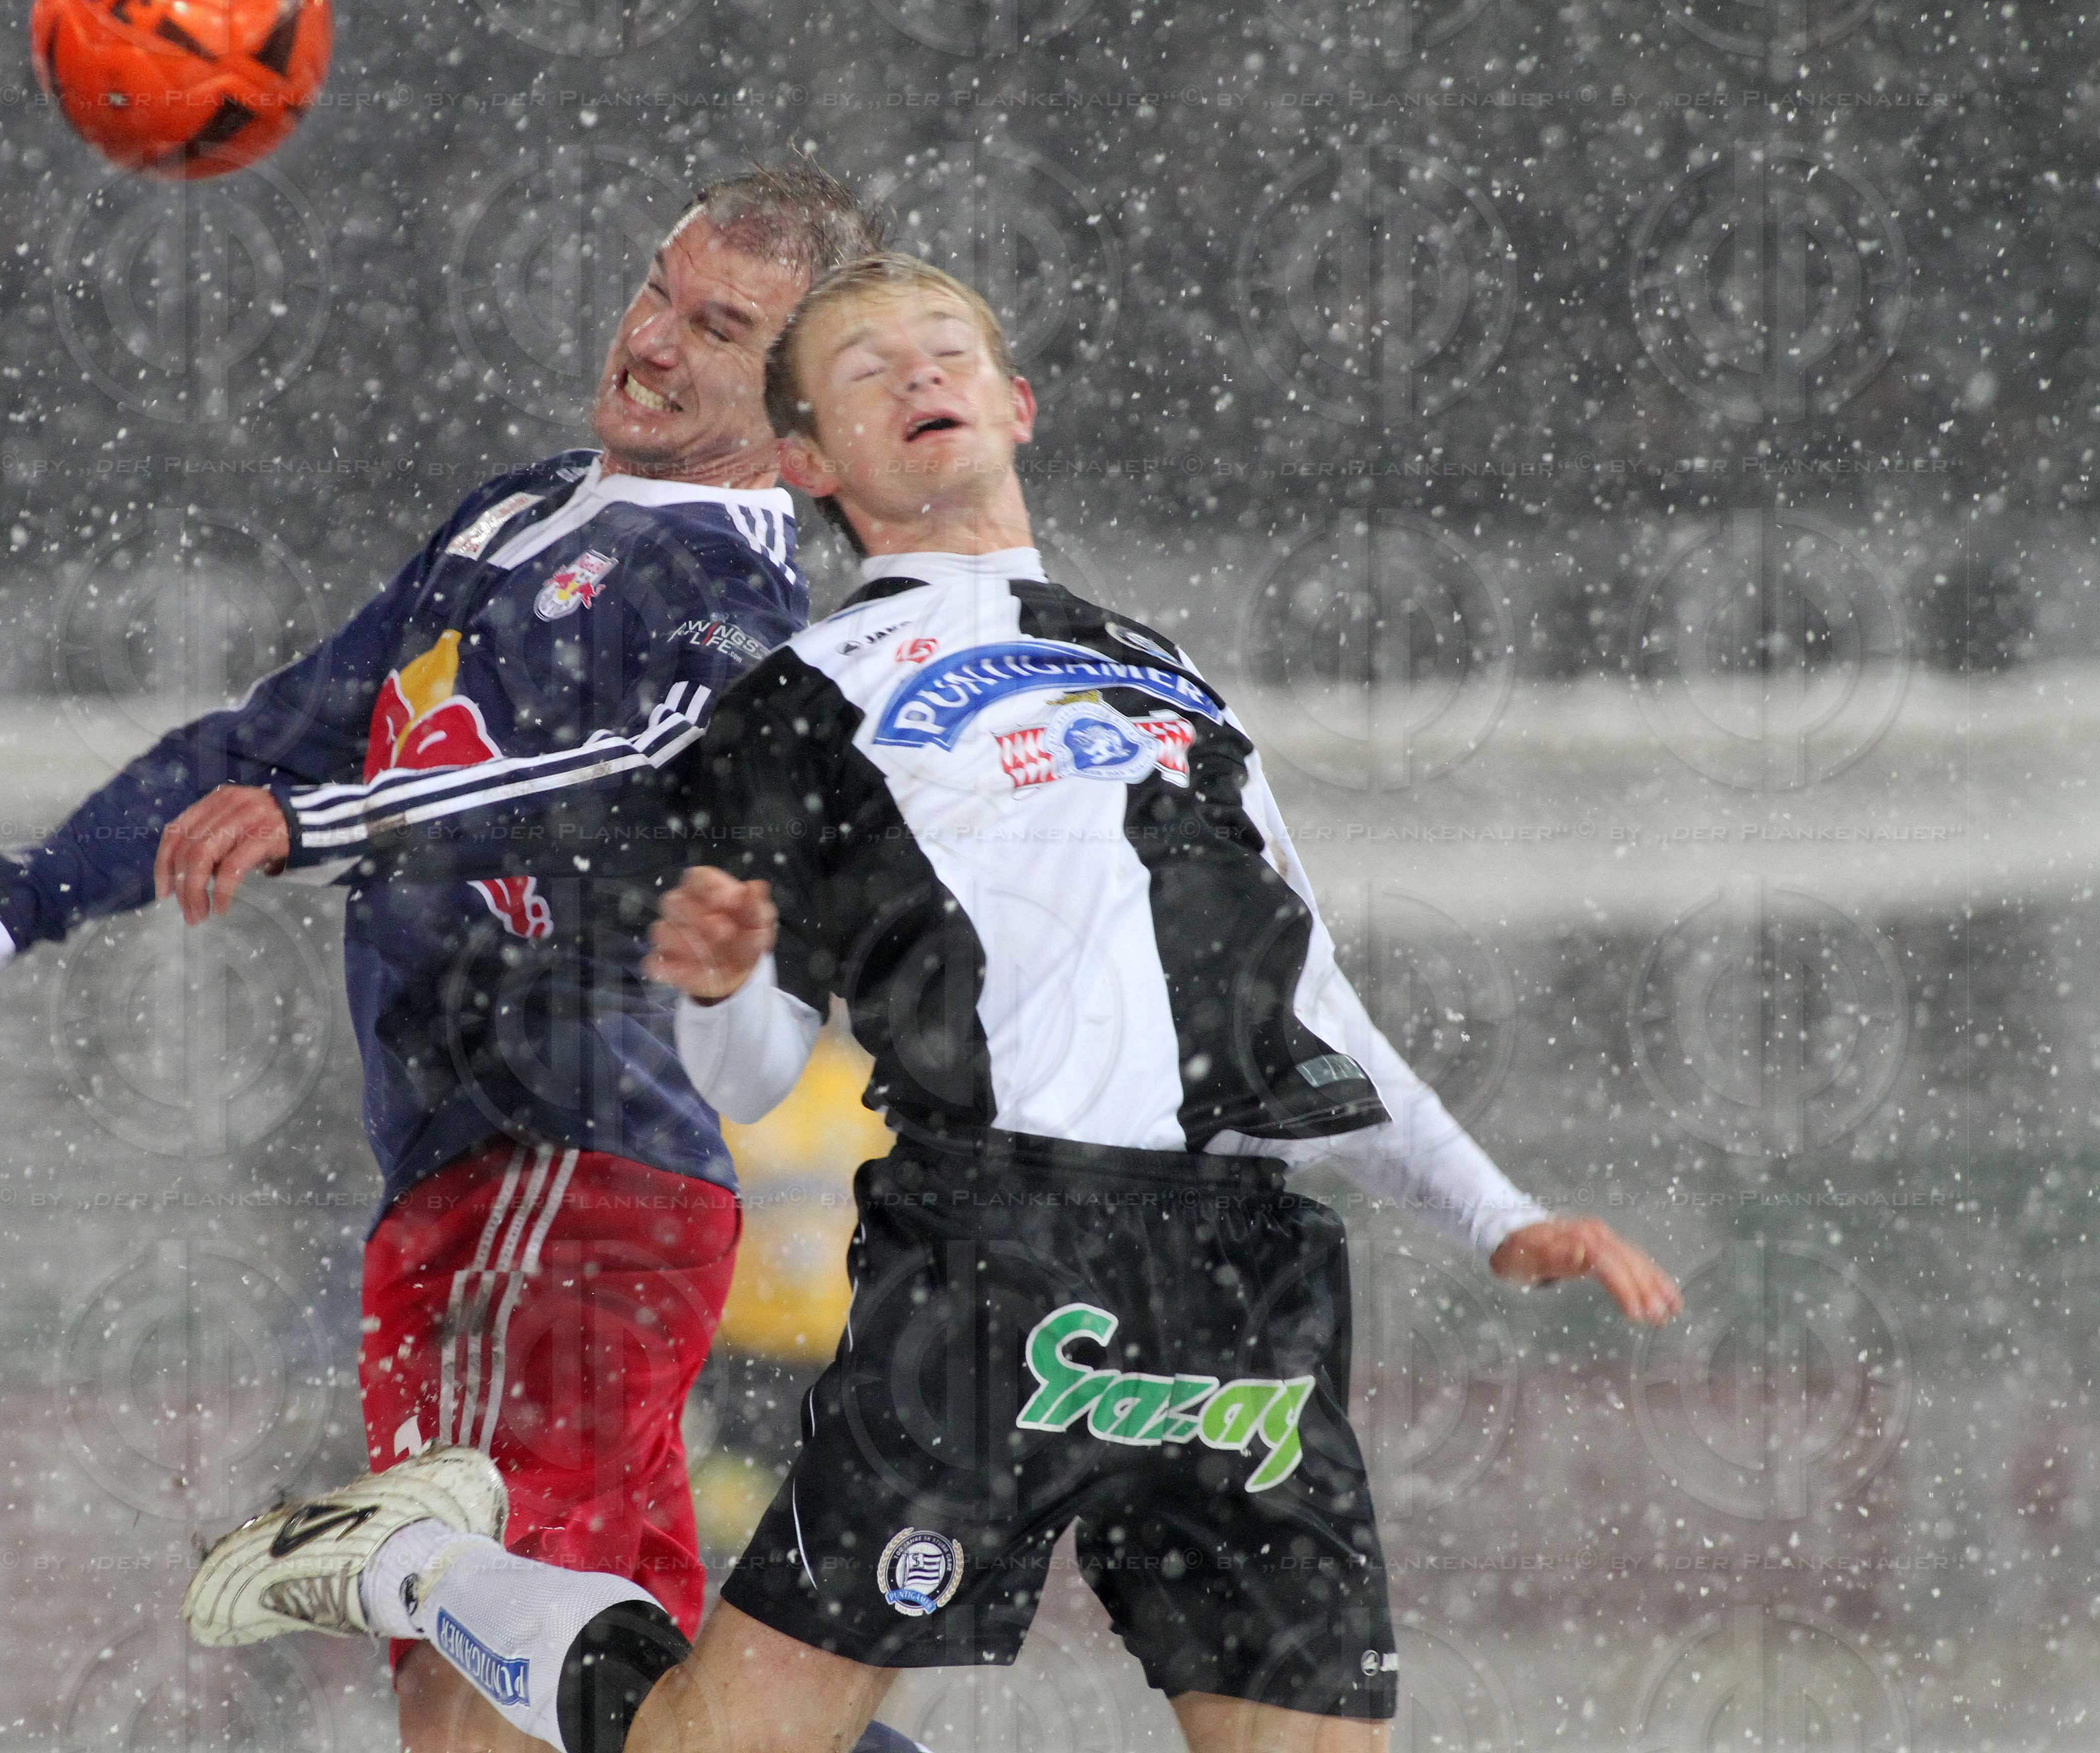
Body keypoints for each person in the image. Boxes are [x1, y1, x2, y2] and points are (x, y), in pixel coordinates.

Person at [196, 254, 1685, 1753]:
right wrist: (717, 983)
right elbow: (760, 1070)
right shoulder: (797, 694)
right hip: (993, 1263)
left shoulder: (1173, 679)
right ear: (809, 464)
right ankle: (418, 1567)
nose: (919, 379)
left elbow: (1310, 1001)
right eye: (865, 372)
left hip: (1245, 1280)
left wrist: (1497, 1215)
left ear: (1016, 402)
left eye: (947, 352)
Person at [0, 165, 911, 1753]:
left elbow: (623, 774)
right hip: (471, 1189)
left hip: (565, 1173)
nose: (653, 338)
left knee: (475, 1707)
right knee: (661, 1709)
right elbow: (258, 741)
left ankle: (405, 1560)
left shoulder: (732, 590)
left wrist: (329, 816)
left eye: (720, 328)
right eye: (658, 287)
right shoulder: (516, 513)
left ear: (800, 424)